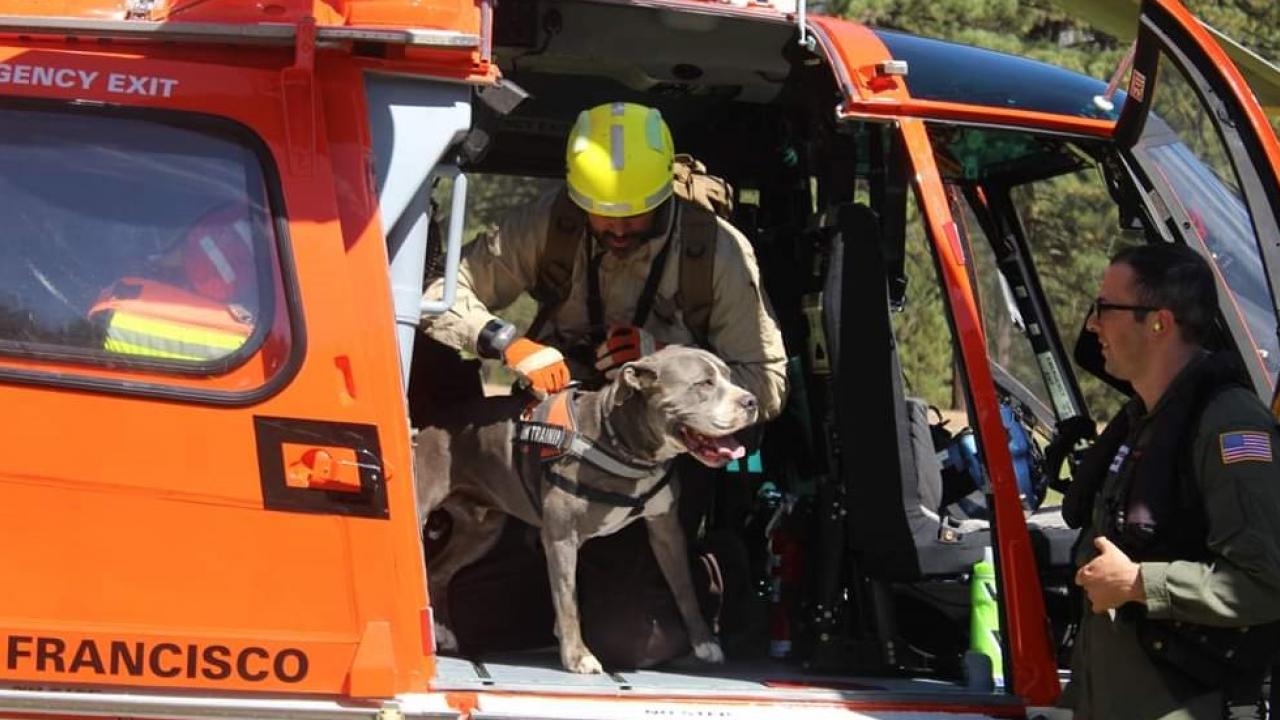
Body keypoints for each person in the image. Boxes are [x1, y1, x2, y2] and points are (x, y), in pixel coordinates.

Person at [418, 101, 787, 420]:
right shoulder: (546, 223)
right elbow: (435, 292)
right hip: (561, 407)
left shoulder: (718, 251)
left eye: (636, 213)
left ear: (662, 197)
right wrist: (509, 344)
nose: (620, 229)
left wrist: (664, 359)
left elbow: (766, 384)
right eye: (601, 213)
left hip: (674, 427)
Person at [1062, 242, 1280, 719]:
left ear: (1159, 322)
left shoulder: (1228, 425)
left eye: (1105, 308)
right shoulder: (1145, 422)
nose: (1093, 324)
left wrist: (1140, 583)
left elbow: (1265, 583)